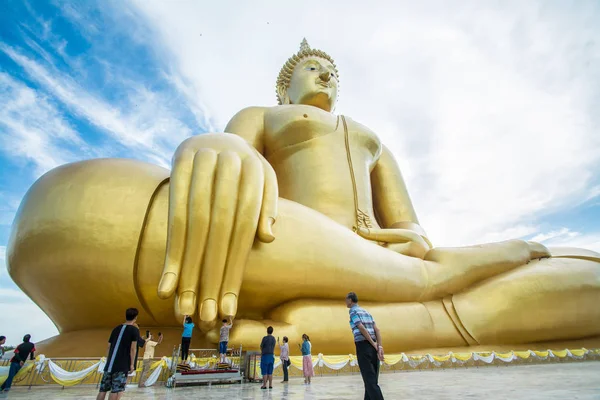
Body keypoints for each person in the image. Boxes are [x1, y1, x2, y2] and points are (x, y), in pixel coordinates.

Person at [346, 292, 384, 400]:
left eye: (346, 299)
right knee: (371, 379)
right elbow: (377, 329)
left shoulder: (353, 311)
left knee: (370, 381)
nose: (345, 302)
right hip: (374, 347)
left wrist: (373, 343)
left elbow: (361, 327)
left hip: (364, 346)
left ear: (350, 300)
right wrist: (379, 346)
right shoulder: (366, 312)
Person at [97, 308, 140, 400]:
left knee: (103, 390)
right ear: (136, 317)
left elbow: (109, 346)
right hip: (121, 365)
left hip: (109, 365)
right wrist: (132, 364)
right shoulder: (134, 330)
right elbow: (133, 349)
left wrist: (109, 361)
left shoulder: (116, 328)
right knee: (115, 390)